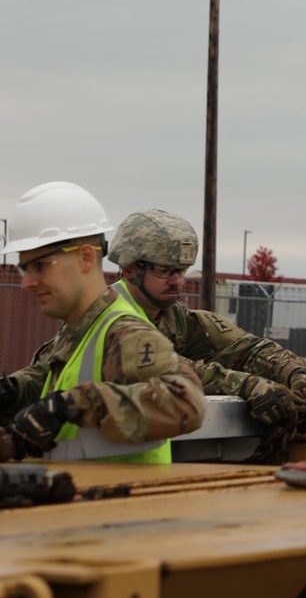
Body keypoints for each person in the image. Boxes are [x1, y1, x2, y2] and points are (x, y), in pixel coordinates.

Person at [0, 181, 205, 462]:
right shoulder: (80, 332)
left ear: (85, 257)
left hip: (130, 502)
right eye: (24, 268)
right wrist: (12, 392)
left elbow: (186, 403)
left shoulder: (123, 331)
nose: (26, 282)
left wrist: (72, 404)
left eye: (39, 266)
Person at [107, 209, 306, 434]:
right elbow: (169, 368)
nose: (177, 281)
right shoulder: (108, 319)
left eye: (181, 270)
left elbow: (247, 349)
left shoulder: (174, 319)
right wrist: (248, 385)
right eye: (165, 271)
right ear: (129, 268)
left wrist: (296, 374)